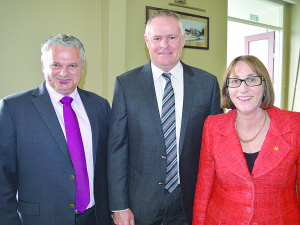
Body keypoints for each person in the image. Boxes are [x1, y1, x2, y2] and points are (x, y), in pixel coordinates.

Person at [107, 10, 222, 225]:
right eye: (157, 38)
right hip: (140, 203)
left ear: (183, 39)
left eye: (172, 37)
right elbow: (117, 150)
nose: (164, 45)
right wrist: (119, 205)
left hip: (189, 201)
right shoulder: (126, 84)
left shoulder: (207, 84)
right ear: (146, 41)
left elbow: (217, 148)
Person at [0, 34, 111, 225]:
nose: (64, 73)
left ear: (83, 67)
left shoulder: (100, 106)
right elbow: (3, 177)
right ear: (44, 65)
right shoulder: (13, 108)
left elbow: (109, 163)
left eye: (72, 66)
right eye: (56, 65)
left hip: (95, 218)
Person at [192, 55, 300, 224]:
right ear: (228, 89)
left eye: (251, 79)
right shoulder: (212, 126)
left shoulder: (294, 126)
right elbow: (203, 190)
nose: (243, 88)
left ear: (265, 86)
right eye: (235, 81)